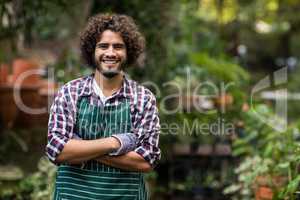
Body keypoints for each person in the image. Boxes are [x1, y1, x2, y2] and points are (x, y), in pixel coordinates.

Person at [46, 13, 161, 200]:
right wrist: (116, 143)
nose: (110, 53)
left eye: (118, 46)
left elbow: (147, 160)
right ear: (92, 51)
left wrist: (80, 147)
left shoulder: (143, 98)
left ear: (128, 51)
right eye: (103, 46)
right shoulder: (70, 92)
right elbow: (55, 150)